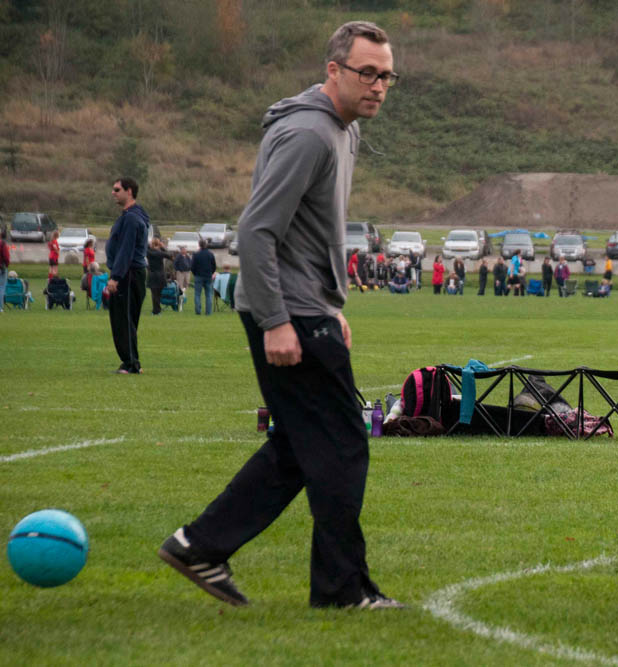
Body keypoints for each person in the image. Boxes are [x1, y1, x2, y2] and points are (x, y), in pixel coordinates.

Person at [158, 20, 402, 610]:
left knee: (300, 445)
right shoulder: (309, 134)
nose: (378, 85)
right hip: (288, 312)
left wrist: (330, 304)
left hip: (308, 307)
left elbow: (314, 232)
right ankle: (342, 590)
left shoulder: (343, 130)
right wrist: (277, 321)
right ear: (334, 70)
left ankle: (200, 546)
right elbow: (256, 231)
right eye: (367, 73)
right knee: (343, 444)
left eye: (387, 76)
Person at [105, 176, 149, 374]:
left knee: (123, 320)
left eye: (117, 189)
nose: (113, 193)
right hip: (132, 273)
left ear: (129, 191)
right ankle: (132, 361)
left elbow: (126, 250)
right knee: (127, 320)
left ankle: (131, 363)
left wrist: (116, 277)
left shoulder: (131, 218)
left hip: (128, 274)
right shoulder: (134, 215)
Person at [190, 238, 217, 315]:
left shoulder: (196, 254)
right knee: (209, 294)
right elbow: (214, 266)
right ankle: (208, 312)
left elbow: (192, 266)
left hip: (198, 276)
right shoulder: (210, 254)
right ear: (206, 245)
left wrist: (195, 273)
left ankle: (198, 311)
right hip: (208, 276)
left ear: (199, 245)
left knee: (197, 294)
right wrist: (211, 273)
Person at [146, 237, 171, 315]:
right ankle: (157, 310)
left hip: (152, 274)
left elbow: (145, 247)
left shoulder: (149, 253)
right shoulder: (161, 253)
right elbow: (170, 255)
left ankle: (156, 310)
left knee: (154, 294)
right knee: (159, 294)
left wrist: (150, 245)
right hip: (161, 275)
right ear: (159, 244)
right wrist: (163, 247)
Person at [0, 229, 9, 312]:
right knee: (1, 287)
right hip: (1, 268)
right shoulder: (2, 244)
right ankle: (0, 307)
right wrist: (6, 265)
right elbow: (6, 256)